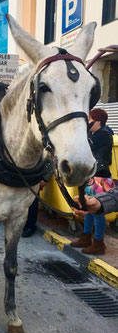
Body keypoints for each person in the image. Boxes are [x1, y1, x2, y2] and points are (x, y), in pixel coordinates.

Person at [71, 108, 113, 255]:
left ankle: (99, 243)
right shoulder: (95, 134)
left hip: (100, 177)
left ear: (98, 122)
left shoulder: (104, 135)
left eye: (90, 120)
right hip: (92, 176)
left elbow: (85, 146)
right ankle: (86, 237)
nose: (88, 123)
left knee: (97, 212)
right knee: (88, 208)